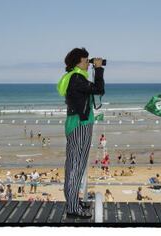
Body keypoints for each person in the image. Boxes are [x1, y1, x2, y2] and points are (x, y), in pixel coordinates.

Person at [57, 48, 105, 218]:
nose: (88, 63)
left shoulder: (74, 77)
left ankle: (73, 201)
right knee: (76, 166)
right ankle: (72, 208)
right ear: (77, 62)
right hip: (80, 124)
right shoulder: (77, 78)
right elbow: (99, 89)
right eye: (86, 61)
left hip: (78, 122)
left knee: (75, 164)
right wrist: (98, 69)